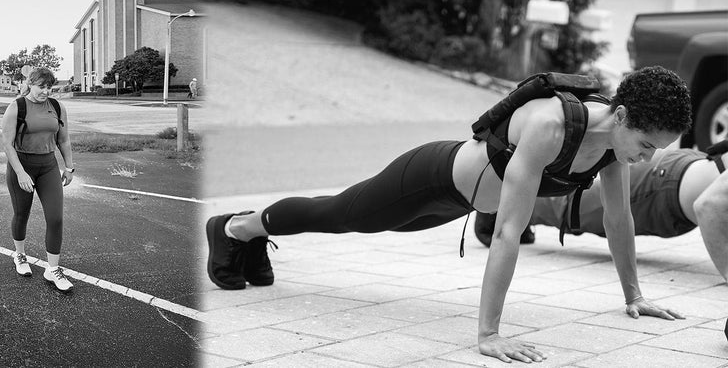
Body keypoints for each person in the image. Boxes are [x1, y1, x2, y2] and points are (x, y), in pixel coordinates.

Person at [205, 66, 692, 363]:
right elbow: (506, 232)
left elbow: (619, 220)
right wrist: (489, 335)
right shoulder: (554, 124)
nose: (648, 158)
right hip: (432, 176)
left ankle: (244, 235)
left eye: (658, 150)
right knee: (341, 214)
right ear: (623, 116)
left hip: (455, 204)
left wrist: (635, 296)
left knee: (358, 217)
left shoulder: (615, 149)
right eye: (646, 145)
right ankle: (234, 227)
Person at [474, 144, 728, 284]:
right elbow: (708, 207)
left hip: (677, 181)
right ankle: (495, 205)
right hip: (662, 187)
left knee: (577, 203)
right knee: (570, 207)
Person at [0, 66, 76, 292]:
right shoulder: (17, 107)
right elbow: (7, 144)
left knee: (55, 218)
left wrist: (69, 167)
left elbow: (64, 140)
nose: (46, 91)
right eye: (41, 86)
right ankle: (20, 255)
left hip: (48, 166)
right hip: (21, 166)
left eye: (49, 87)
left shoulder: (57, 107)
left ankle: (52, 269)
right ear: (30, 84)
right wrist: (21, 173)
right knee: (21, 214)